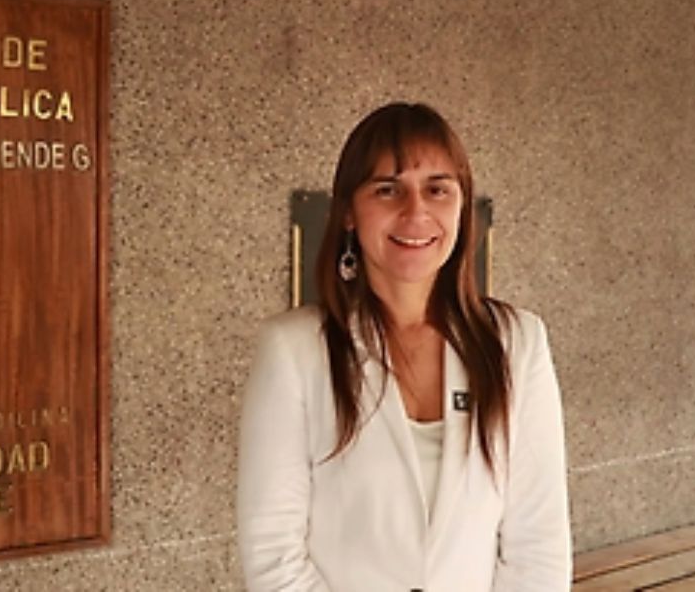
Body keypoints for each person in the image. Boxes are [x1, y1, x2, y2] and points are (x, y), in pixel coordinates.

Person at [237, 102, 571, 591]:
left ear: (462, 208)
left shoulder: (516, 342)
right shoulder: (293, 350)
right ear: (348, 212)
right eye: (387, 189)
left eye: (437, 189)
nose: (416, 212)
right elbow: (273, 553)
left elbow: (539, 545)